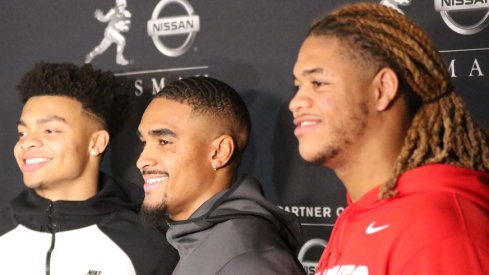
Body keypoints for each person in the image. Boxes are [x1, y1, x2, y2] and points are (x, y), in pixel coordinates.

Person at [289, 3, 489, 275]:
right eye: (298, 85)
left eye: (319, 83)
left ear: (382, 89)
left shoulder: (441, 230)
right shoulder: (358, 215)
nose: (296, 102)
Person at [0, 62, 178, 274]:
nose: (27, 143)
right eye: (22, 133)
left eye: (49, 130)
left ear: (96, 143)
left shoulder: (150, 244)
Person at [137, 76, 305, 275]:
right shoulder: (200, 242)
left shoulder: (248, 262)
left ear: (219, 152)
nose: (142, 161)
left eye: (164, 142)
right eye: (144, 143)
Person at [85, 0, 131, 65]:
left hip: (114, 34)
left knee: (101, 49)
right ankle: (119, 58)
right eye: (117, 4)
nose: (119, 6)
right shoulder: (113, 10)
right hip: (110, 30)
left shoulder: (127, 14)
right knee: (122, 40)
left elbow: (127, 28)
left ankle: (90, 55)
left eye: (121, 4)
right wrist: (100, 17)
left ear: (124, 4)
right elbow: (105, 19)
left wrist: (120, 27)